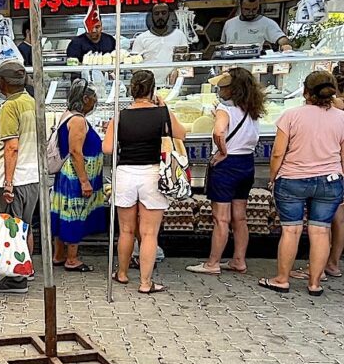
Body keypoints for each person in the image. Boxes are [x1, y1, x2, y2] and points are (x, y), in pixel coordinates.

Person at [259, 70, 344, 297]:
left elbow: (278, 153)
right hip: (329, 181)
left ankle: (282, 279)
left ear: (306, 92)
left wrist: (273, 177)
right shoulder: (341, 118)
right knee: (321, 231)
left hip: (292, 179)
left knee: (291, 230)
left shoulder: (290, 116)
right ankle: (315, 283)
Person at [103, 70, 187, 294]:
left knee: (126, 230)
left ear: (132, 90)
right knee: (149, 233)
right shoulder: (162, 113)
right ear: (152, 90)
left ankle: (122, 273)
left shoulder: (120, 115)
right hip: (153, 174)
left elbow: (107, 148)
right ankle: (145, 283)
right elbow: (181, 134)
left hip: (125, 174)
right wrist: (164, 107)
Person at [187, 69, 264, 276]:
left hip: (227, 166)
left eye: (223, 86)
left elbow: (219, 131)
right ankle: (239, 260)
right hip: (246, 163)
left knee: (220, 218)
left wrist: (222, 151)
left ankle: (212, 263)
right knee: (240, 217)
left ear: (232, 88)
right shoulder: (252, 109)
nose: (220, 90)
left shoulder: (224, 108)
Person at [0, 60, 39, 295]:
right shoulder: (32, 102)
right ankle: (26, 269)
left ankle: (16, 279)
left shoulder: (10, 106)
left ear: (2, 82)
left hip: (13, 179)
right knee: (24, 227)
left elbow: (11, 147)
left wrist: (7, 183)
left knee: (10, 229)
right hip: (31, 177)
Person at [50, 80, 106, 272]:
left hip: (67, 176)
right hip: (76, 176)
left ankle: (59, 255)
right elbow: (75, 151)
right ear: (85, 99)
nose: (95, 103)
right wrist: (84, 181)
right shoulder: (78, 121)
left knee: (63, 213)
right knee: (75, 213)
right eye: (94, 99)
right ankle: (72, 259)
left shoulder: (67, 115)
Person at [131, 2, 189, 84]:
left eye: (164, 13)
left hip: (173, 85)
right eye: (156, 13)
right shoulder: (141, 38)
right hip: (149, 86)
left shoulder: (179, 35)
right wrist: (144, 82)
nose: (160, 16)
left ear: (169, 15)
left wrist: (178, 72)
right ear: (152, 16)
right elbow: (134, 66)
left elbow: (185, 61)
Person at [221, 0, 292, 51]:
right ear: (240, 6)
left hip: (254, 62)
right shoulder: (229, 23)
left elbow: (281, 39)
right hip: (231, 61)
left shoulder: (266, 23)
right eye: (247, 9)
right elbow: (222, 44)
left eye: (254, 9)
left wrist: (285, 45)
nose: (251, 12)